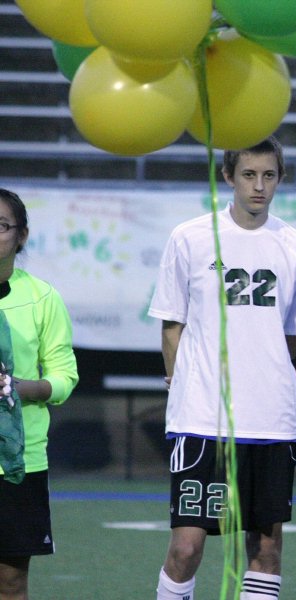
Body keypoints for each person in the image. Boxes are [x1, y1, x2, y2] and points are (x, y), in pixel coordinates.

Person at [149, 136, 296, 600]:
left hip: (270, 420)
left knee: (265, 546)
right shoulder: (190, 237)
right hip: (202, 419)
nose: (259, 186)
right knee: (186, 546)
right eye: (249, 175)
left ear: (281, 178)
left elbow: (292, 337)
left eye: (269, 175)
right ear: (228, 177)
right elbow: (172, 325)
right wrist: (180, 384)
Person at [0, 188, 78, 600]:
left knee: (10, 580)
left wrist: (17, 387)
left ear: (22, 236)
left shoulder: (43, 298)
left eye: (2, 226)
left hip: (19, 460)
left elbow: (65, 378)